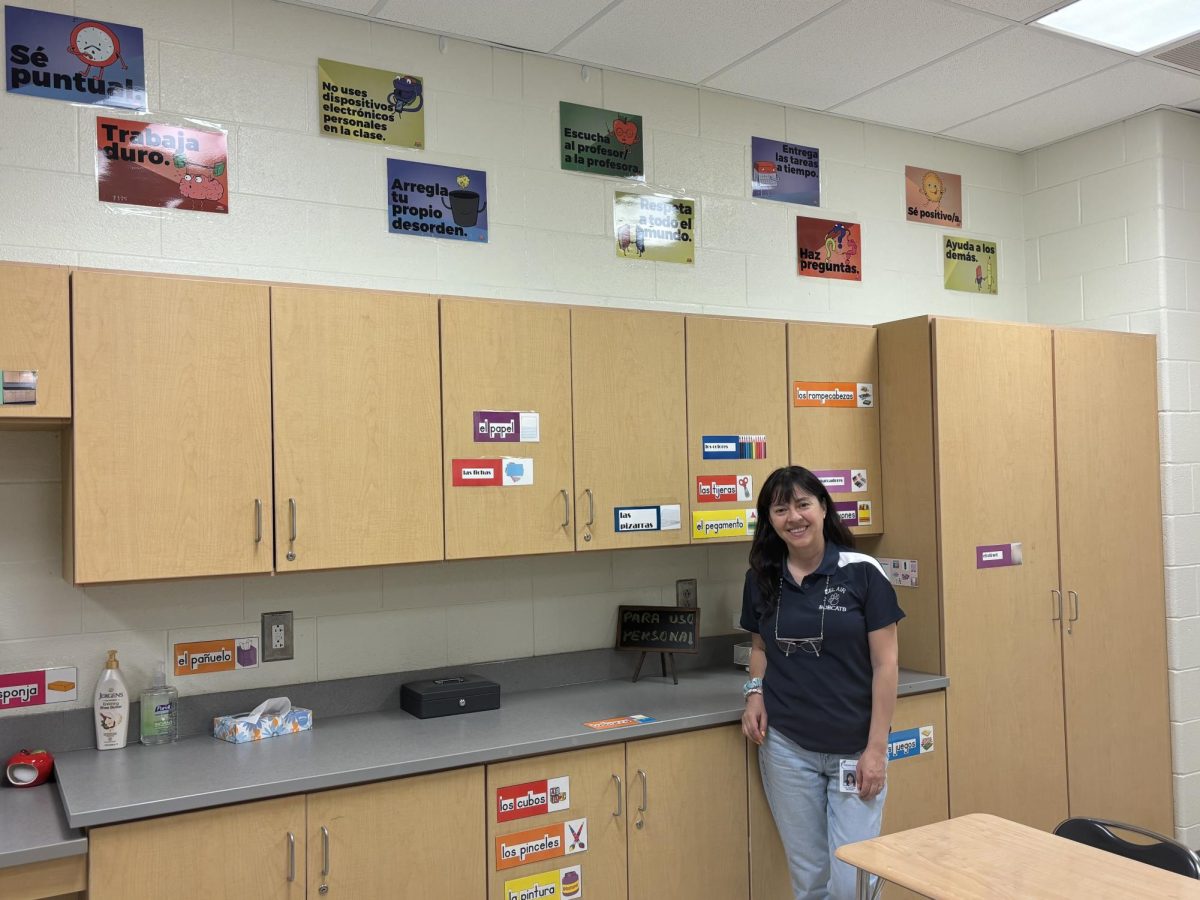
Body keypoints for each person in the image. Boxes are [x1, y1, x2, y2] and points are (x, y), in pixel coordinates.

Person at [740, 466, 903, 900]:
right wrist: (754, 693)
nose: (793, 517)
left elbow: (886, 665)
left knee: (853, 881)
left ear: (823, 508)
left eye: (802, 504)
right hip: (788, 748)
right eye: (780, 508)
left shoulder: (862, 572)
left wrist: (876, 749)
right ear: (770, 520)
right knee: (810, 878)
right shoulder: (761, 577)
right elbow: (759, 648)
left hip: (855, 748)